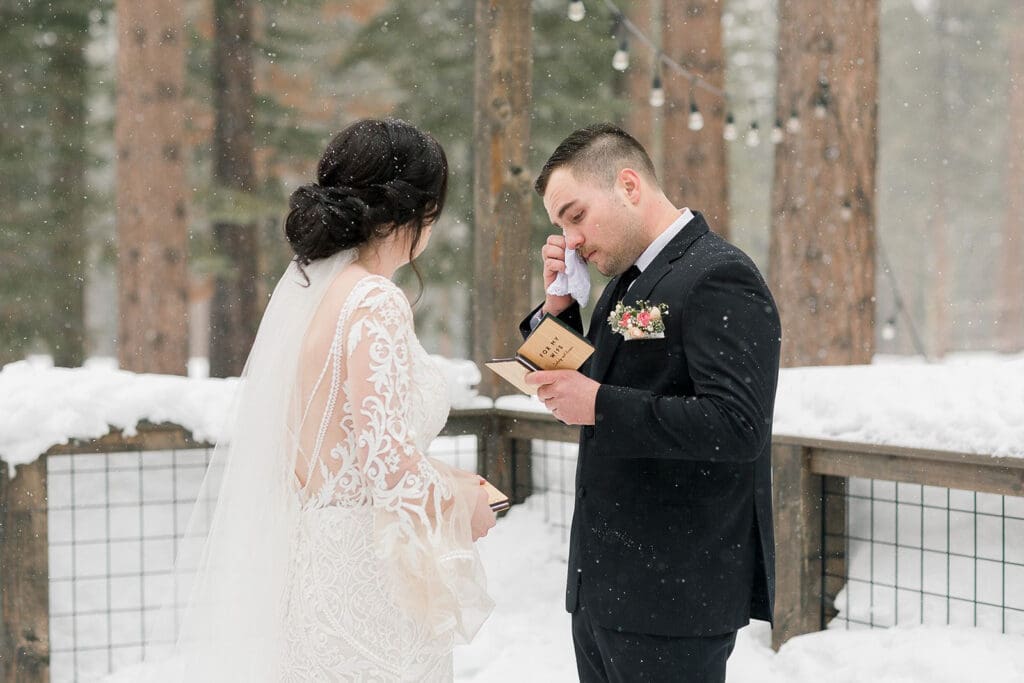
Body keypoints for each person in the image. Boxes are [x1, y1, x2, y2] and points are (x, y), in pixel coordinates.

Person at [138, 118, 495, 682]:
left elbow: (345, 454)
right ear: (414, 212)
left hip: (316, 562)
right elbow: (386, 471)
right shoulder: (375, 301)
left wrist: (449, 480)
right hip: (366, 576)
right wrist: (460, 505)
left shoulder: (319, 295)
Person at [521, 123, 781, 683]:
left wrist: (601, 404)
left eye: (575, 215)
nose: (571, 240)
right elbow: (588, 387)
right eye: (561, 226)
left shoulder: (719, 275)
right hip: (604, 591)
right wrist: (560, 306)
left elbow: (737, 426)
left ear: (629, 186)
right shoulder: (623, 282)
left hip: (675, 597)